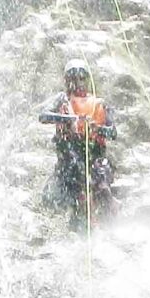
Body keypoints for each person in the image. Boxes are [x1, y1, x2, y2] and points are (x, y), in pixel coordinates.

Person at [40, 62, 114, 221]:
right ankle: (80, 206)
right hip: (69, 157)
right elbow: (44, 116)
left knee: (102, 180)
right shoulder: (62, 100)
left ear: (86, 80)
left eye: (81, 78)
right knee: (73, 172)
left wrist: (97, 129)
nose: (77, 83)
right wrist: (70, 119)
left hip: (95, 157)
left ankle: (109, 215)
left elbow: (112, 132)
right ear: (67, 81)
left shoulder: (99, 104)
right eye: (73, 78)